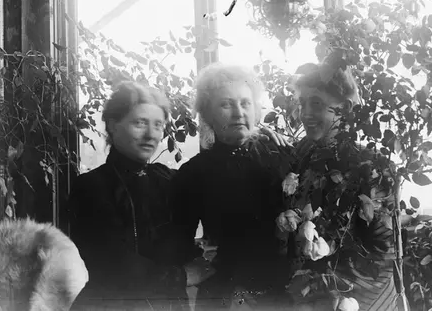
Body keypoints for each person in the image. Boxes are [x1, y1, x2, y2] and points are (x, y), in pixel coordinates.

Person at [170, 62, 294, 310]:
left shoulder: (282, 156)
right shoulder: (194, 173)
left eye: (245, 103)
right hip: (224, 294)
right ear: (207, 115)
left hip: (283, 293)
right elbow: (179, 243)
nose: (238, 113)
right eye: (226, 104)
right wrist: (204, 268)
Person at [69, 81, 189, 310]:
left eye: (158, 125)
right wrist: (183, 277)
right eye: (140, 123)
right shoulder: (91, 186)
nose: (151, 135)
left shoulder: (167, 179)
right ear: (113, 125)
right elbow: (113, 265)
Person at [289, 63, 400, 311]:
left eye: (317, 104)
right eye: (303, 104)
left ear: (346, 108)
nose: (305, 114)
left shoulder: (373, 167)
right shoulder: (300, 154)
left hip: (356, 300)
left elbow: (382, 255)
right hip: (304, 296)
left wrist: (322, 287)